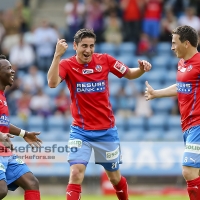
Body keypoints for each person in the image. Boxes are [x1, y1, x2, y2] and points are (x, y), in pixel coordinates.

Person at [47, 28, 152, 200]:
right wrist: (57, 55)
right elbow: (52, 83)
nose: (88, 50)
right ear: (75, 46)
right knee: (75, 173)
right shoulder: (66, 64)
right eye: (84, 46)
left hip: (106, 131)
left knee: (114, 178)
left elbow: (130, 73)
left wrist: (141, 69)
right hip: (80, 131)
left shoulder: (105, 60)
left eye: (91, 46)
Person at [144, 25, 200, 200]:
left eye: (175, 43)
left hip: (198, 125)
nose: (172, 47)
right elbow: (182, 87)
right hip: (187, 126)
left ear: (187, 43)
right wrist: (156, 93)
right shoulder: (182, 63)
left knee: (188, 171)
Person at [0, 54, 42, 200]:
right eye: (8, 68)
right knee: (1, 191)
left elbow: (3, 123)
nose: (13, 71)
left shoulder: (2, 96)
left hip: (5, 151)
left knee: (31, 182)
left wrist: (24, 134)